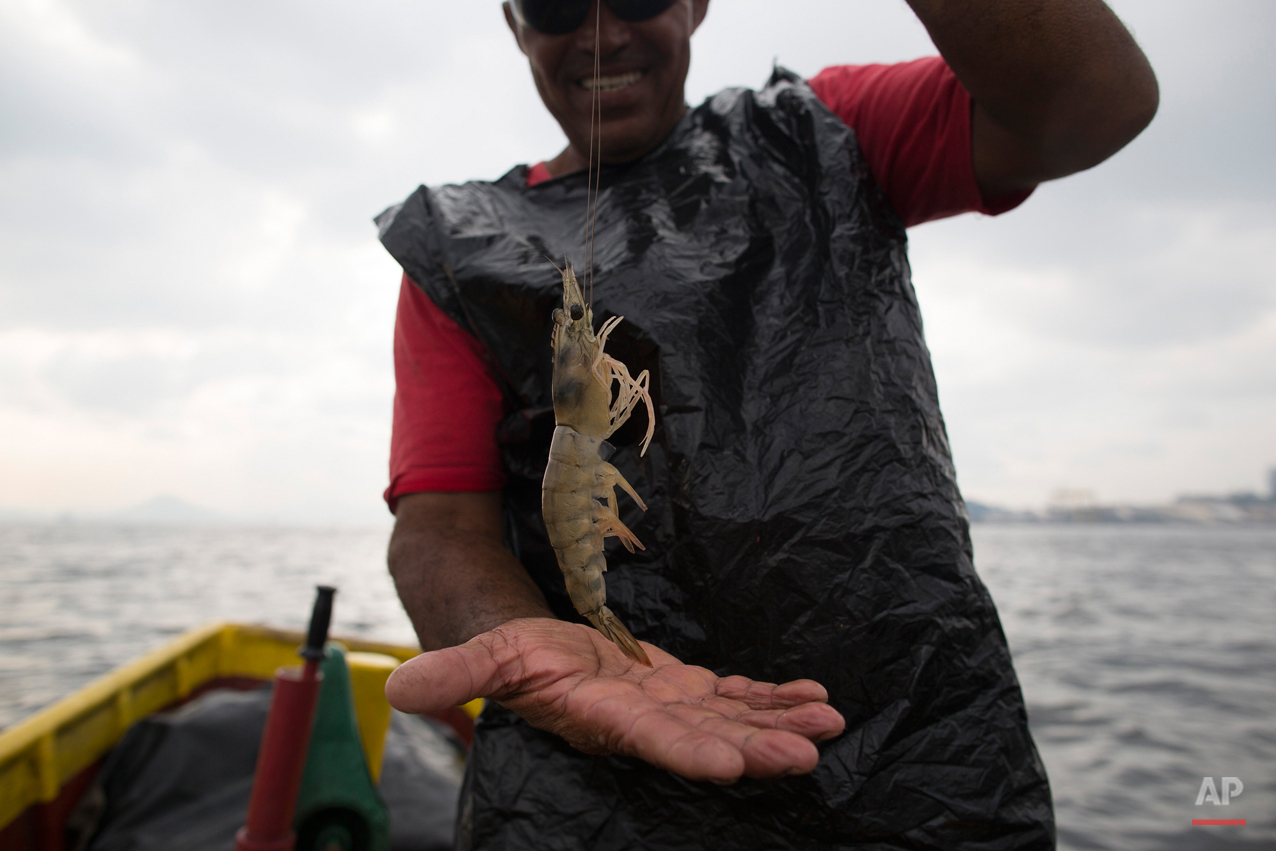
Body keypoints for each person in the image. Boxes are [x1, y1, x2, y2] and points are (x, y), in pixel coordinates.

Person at [378, 1, 1157, 848]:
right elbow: (440, 523)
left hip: (915, 762)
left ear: (696, 4)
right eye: (559, 3)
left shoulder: (825, 131)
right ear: (514, 22)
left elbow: (1096, 99)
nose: (602, 32)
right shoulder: (457, 248)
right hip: (578, 799)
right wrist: (514, 641)